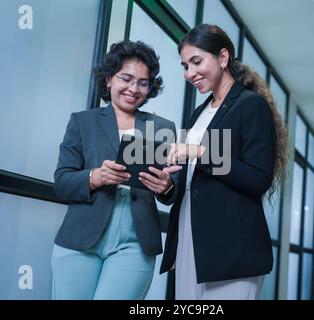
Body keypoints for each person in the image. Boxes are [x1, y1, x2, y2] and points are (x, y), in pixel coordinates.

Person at [146, 24, 288, 300]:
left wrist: (200, 153)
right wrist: (167, 187)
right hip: (190, 235)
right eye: (185, 66)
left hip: (232, 245)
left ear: (223, 58)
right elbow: (191, 181)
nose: (190, 74)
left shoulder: (251, 105)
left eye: (196, 62)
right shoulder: (198, 112)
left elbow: (258, 179)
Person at [51, 40, 180, 300]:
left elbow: (171, 190)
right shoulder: (82, 122)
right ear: (109, 79)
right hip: (80, 238)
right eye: (127, 78)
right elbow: (62, 182)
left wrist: (167, 187)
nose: (134, 88)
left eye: (143, 82)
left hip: (136, 242)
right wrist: (95, 177)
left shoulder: (162, 127)